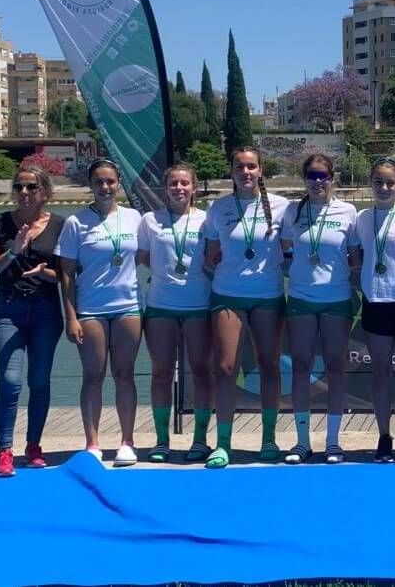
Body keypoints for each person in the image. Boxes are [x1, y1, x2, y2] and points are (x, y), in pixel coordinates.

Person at [202, 146, 290, 464]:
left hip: (267, 295)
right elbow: (210, 255)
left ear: (261, 170)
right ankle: (223, 443)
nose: (246, 172)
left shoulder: (282, 207)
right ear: (232, 172)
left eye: (251, 166)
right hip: (228, 295)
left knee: (269, 365)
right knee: (226, 368)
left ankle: (269, 440)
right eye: (239, 167)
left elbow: (292, 248)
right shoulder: (218, 207)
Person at [55, 158, 144, 466]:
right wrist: (71, 317)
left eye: (110, 181)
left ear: (118, 183)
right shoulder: (76, 222)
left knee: (124, 374)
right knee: (93, 376)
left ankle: (127, 442)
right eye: (98, 182)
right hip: (91, 308)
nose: (105, 187)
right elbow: (66, 275)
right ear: (90, 185)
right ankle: (92, 443)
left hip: (128, 307)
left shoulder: (134, 218)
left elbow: (145, 256)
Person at [0, 163, 65, 478]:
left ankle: (33, 445)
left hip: (46, 310)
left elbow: (68, 275)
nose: (24, 192)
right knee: (10, 380)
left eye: (32, 187)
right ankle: (4, 450)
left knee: (39, 381)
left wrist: (46, 273)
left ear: (45, 192)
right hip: (8, 309)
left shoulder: (60, 225)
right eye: (19, 186)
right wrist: (13, 253)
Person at [279, 152, 360, 464]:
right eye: (311, 176)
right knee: (300, 368)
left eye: (322, 175)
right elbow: (283, 251)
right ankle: (302, 442)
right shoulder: (292, 211)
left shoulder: (348, 211)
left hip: (336, 299)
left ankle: (332, 442)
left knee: (335, 368)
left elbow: (355, 258)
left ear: (332, 178)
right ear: (304, 179)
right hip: (301, 299)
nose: (317, 181)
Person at [136, 164, 212, 464]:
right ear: (165, 188)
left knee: (201, 372)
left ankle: (200, 440)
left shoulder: (206, 219)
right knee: (161, 373)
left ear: (194, 187)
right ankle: (162, 440)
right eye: (173, 183)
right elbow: (143, 257)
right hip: (161, 306)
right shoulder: (149, 220)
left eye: (185, 183)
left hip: (198, 305)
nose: (179, 188)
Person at [350, 158, 395, 463]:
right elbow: (355, 256)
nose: (384, 187)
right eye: (378, 181)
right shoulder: (361, 218)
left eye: (390, 182)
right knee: (380, 373)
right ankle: (383, 436)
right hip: (375, 303)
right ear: (370, 183)